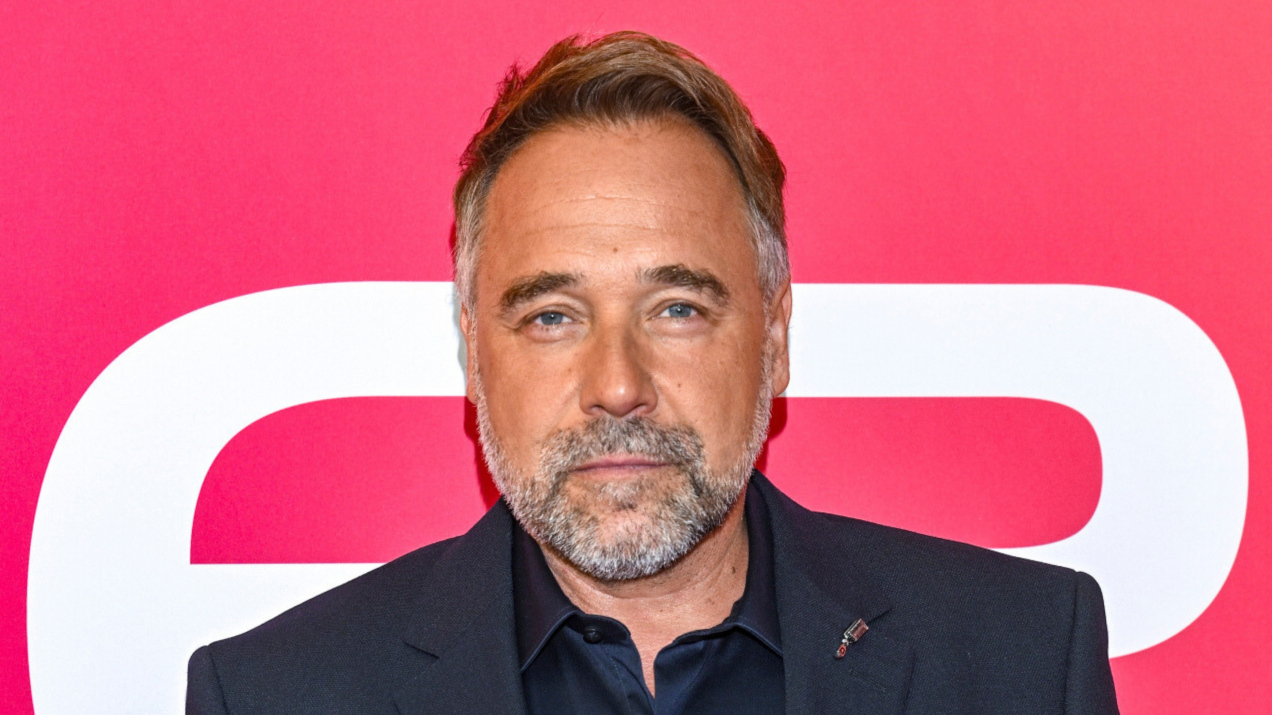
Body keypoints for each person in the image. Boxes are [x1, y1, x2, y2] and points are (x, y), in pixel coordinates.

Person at [187, 31, 1119, 714]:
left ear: (775, 337)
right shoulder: (276, 692)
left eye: (677, 308)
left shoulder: (1023, 660)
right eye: (552, 317)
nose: (618, 383)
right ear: (473, 351)